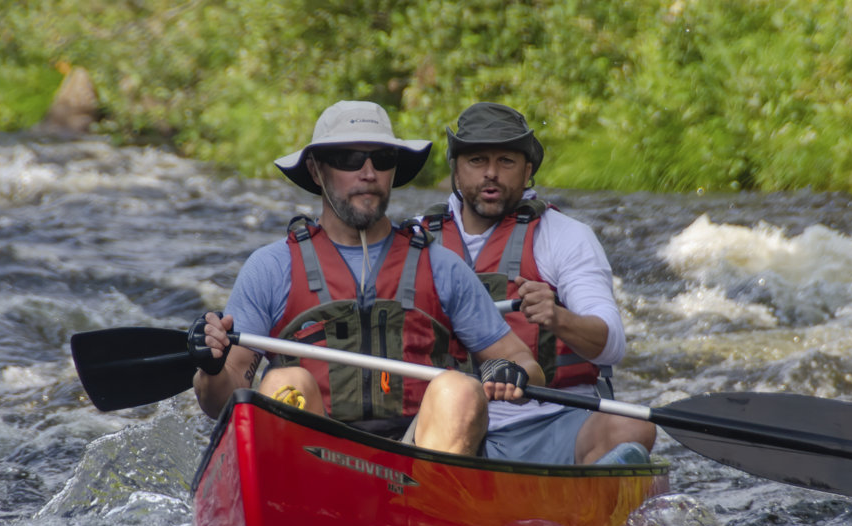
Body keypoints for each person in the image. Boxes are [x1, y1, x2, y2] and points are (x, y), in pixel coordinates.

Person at [190, 100, 544, 456]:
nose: (369, 173)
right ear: (316, 171)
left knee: (461, 389)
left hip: (418, 461)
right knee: (283, 382)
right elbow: (223, 399)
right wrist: (211, 368)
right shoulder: (270, 267)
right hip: (312, 459)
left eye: (382, 159)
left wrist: (508, 369)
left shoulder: (442, 266)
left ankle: (427, 506)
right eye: (349, 159)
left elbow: (523, 360)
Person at [422, 102, 657, 465]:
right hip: (446, 423)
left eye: (506, 161)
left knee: (633, 427)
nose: (491, 174)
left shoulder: (566, 236)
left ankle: (592, 490)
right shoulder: (416, 239)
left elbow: (612, 345)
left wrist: (560, 318)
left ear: (527, 170)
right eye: (477, 160)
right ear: (455, 169)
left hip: (554, 420)